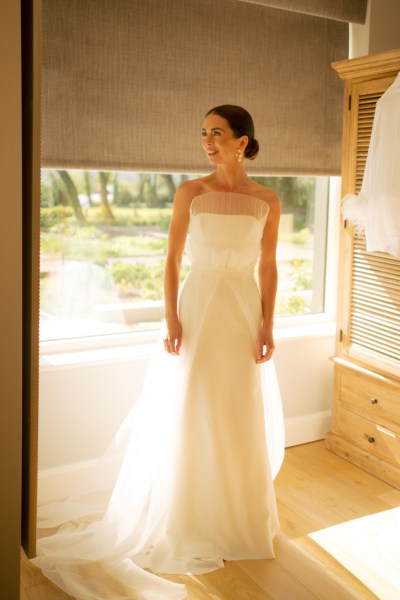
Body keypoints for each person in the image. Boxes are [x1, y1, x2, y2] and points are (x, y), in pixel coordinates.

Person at [32, 105, 285, 600]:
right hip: (198, 306)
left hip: (241, 312)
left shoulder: (267, 200)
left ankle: (238, 518)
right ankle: (188, 512)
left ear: (243, 141)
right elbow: (169, 259)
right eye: (203, 134)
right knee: (192, 406)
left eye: (217, 133)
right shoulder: (191, 192)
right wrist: (170, 317)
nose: (207, 141)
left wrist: (268, 325)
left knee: (236, 409)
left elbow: (270, 267)